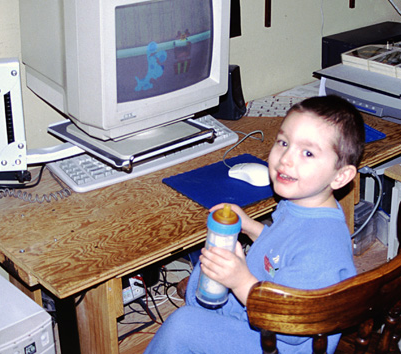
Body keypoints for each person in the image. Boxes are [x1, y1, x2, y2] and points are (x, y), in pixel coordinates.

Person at [144, 95, 366, 354]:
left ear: (341, 176)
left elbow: (290, 323)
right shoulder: (304, 202)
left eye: (307, 153)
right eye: (284, 142)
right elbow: (284, 247)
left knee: (182, 326)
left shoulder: (322, 248)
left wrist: (240, 281)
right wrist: (251, 226)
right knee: (205, 278)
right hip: (267, 304)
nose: (286, 159)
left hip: (282, 341)